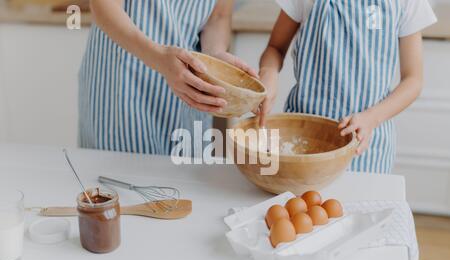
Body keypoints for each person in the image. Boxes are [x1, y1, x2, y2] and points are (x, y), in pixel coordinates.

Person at [258, 0, 437, 173]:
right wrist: (268, 72)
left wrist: (372, 118)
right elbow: (275, 48)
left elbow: (413, 80)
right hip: (300, 137)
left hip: (366, 146)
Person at [79, 0, 256, 155]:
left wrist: (215, 55)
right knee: (117, 183)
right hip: (122, 82)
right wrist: (158, 57)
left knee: (185, 186)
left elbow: (219, 15)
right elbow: (104, 5)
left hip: (187, 87)